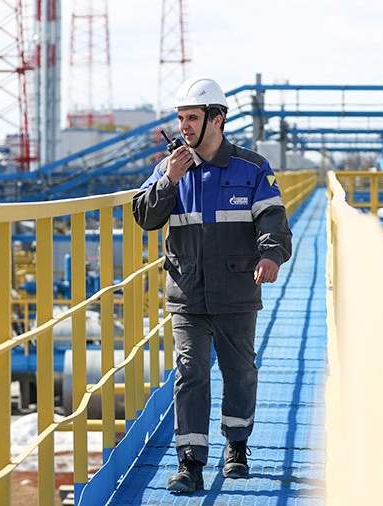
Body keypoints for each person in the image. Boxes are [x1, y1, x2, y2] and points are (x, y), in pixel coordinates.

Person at [132, 77, 293, 494]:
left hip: (237, 290)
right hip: (187, 292)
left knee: (240, 372)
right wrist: (168, 180)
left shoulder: (251, 168)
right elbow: (145, 217)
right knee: (190, 373)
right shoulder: (169, 168)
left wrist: (270, 255)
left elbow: (273, 219)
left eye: (192, 117)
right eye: (181, 118)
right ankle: (190, 463)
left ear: (217, 119)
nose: (184, 126)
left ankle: (236, 445)